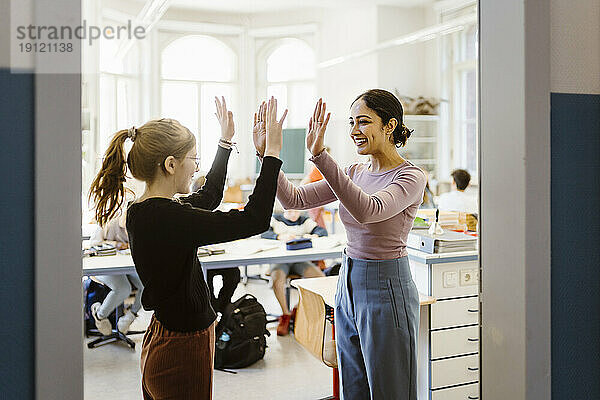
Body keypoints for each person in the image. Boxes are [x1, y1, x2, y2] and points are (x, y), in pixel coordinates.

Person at [89, 96, 286, 400]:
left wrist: (225, 142)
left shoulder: (146, 210)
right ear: (171, 165)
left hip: (170, 337)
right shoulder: (168, 217)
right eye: (194, 159)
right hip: (181, 347)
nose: (196, 167)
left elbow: (208, 197)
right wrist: (271, 155)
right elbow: (255, 219)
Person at [254, 90, 426, 399]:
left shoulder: (411, 177)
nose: (354, 131)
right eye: (351, 123)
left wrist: (321, 156)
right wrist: (268, 156)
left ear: (389, 126)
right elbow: (293, 199)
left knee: (391, 389)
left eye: (363, 122)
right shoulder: (353, 172)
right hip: (348, 285)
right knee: (353, 386)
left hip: (387, 288)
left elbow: (368, 211)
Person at [260, 209, 328, 336]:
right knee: (277, 280)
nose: (293, 214)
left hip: (299, 261)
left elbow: (322, 231)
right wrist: (278, 236)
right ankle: (285, 314)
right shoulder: (275, 219)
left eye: (296, 211)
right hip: (279, 261)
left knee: (320, 277)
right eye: (290, 211)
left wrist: (314, 236)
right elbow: (263, 233)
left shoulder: (304, 221)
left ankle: (297, 308)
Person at [89, 211, 144, 335]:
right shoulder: (109, 221)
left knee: (146, 284)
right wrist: (117, 244)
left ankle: (131, 315)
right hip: (105, 265)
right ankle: (100, 315)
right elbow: (94, 243)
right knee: (123, 288)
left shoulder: (139, 226)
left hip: (126, 266)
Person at [191, 175, 241, 315]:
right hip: (201, 260)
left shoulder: (221, 208)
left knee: (234, 273)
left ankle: (222, 305)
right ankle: (211, 305)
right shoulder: (191, 211)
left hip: (219, 255)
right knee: (205, 279)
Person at [299, 146, 331, 228]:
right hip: (314, 199)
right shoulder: (317, 168)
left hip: (319, 199)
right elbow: (304, 182)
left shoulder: (324, 168)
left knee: (319, 221)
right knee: (316, 222)